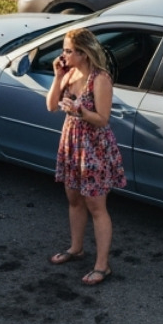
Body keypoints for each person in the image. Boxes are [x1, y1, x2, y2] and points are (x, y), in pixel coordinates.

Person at [45, 27, 126, 285]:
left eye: (68, 51)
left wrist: (79, 111)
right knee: (73, 199)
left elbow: (102, 119)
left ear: (83, 53)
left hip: (94, 147)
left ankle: (103, 266)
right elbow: (50, 106)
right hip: (72, 143)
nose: (63, 55)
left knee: (96, 206)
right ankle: (76, 248)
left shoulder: (100, 79)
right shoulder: (69, 74)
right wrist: (57, 77)